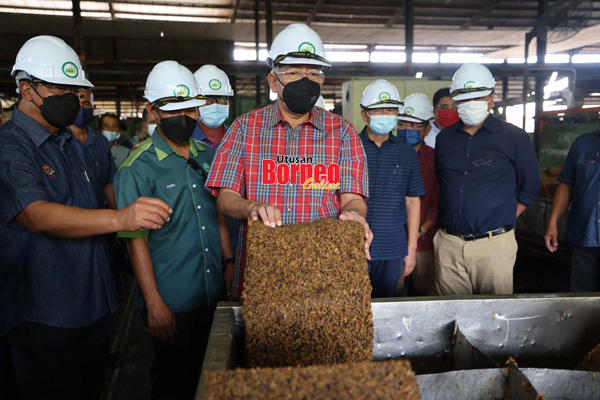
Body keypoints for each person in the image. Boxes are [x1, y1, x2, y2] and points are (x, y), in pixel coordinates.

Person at [0, 35, 171, 400]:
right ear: (27, 89)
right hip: (45, 310)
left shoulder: (68, 141)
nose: (72, 99)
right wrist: (121, 219)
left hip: (93, 300)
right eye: (59, 88)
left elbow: (96, 197)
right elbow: (37, 215)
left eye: (74, 90)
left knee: (93, 388)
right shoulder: (10, 145)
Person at [206, 23, 373, 300]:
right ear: (274, 81)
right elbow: (225, 198)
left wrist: (355, 216)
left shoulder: (343, 132)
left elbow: (352, 199)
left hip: (325, 270)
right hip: (262, 269)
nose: (304, 80)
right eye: (294, 72)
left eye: (313, 73)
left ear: (322, 80)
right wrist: (252, 207)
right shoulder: (245, 128)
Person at [114, 60, 234, 399]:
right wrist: (154, 304)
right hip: (172, 299)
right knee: (173, 381)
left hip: (211, 288)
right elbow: (135, 244)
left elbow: (218, 215)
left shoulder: (205, 155)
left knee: (211, 372)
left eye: (190, 108)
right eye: (173, 109)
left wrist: (228, 263)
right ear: (152, 112)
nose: (185, 116)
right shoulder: (137, 168)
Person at [434, 62, 541, 296]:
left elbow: (531, 186)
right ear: (455, 100)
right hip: (449, 244)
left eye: (478, 97)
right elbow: (441, 184)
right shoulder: (444, 139)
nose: (471, 104)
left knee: (493, 318)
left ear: (491, 98)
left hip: (494, 245)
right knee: (450, 316)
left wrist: (501, 218)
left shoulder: (513, 137)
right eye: (464, 98)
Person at [358, 80, 424, 298]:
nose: (385, 114)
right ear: (364, 115)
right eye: (378, 110)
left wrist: (411, 250)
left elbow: (413, 202)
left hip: (392, 249)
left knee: (386, 311)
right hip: (353, 247)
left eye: (391, 109)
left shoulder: (407, 153)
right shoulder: (349, 148)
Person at [194, 64, 241, 258]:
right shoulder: (182, 145)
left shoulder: (240, 141)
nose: (215, 104)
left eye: (222, 98)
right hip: (197, 247)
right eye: (207, 99)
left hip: (237, 240)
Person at [544, 132, 600, 291]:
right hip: (583, 237)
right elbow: (566, 184)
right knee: (579, 298)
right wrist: (553, 222)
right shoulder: (582, 143)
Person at [397, 93, 439, 296]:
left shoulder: (434, 158)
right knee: (393, 295)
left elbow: (437, 202)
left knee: (425, 294)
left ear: (428, 129)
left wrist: (420, 232)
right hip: (393, 242)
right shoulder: (390, 154)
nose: (408, 130)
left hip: (424, 242)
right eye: (403, 124)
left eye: (415, 126)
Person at [69, 88, 117, 208]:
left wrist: (116, 213)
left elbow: (108, 183)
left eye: (86, 104)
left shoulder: (101, 141)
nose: (81, 108)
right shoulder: (57, 140)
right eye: (76, 103)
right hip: (68, 219)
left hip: (98, 216)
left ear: (93, 108)